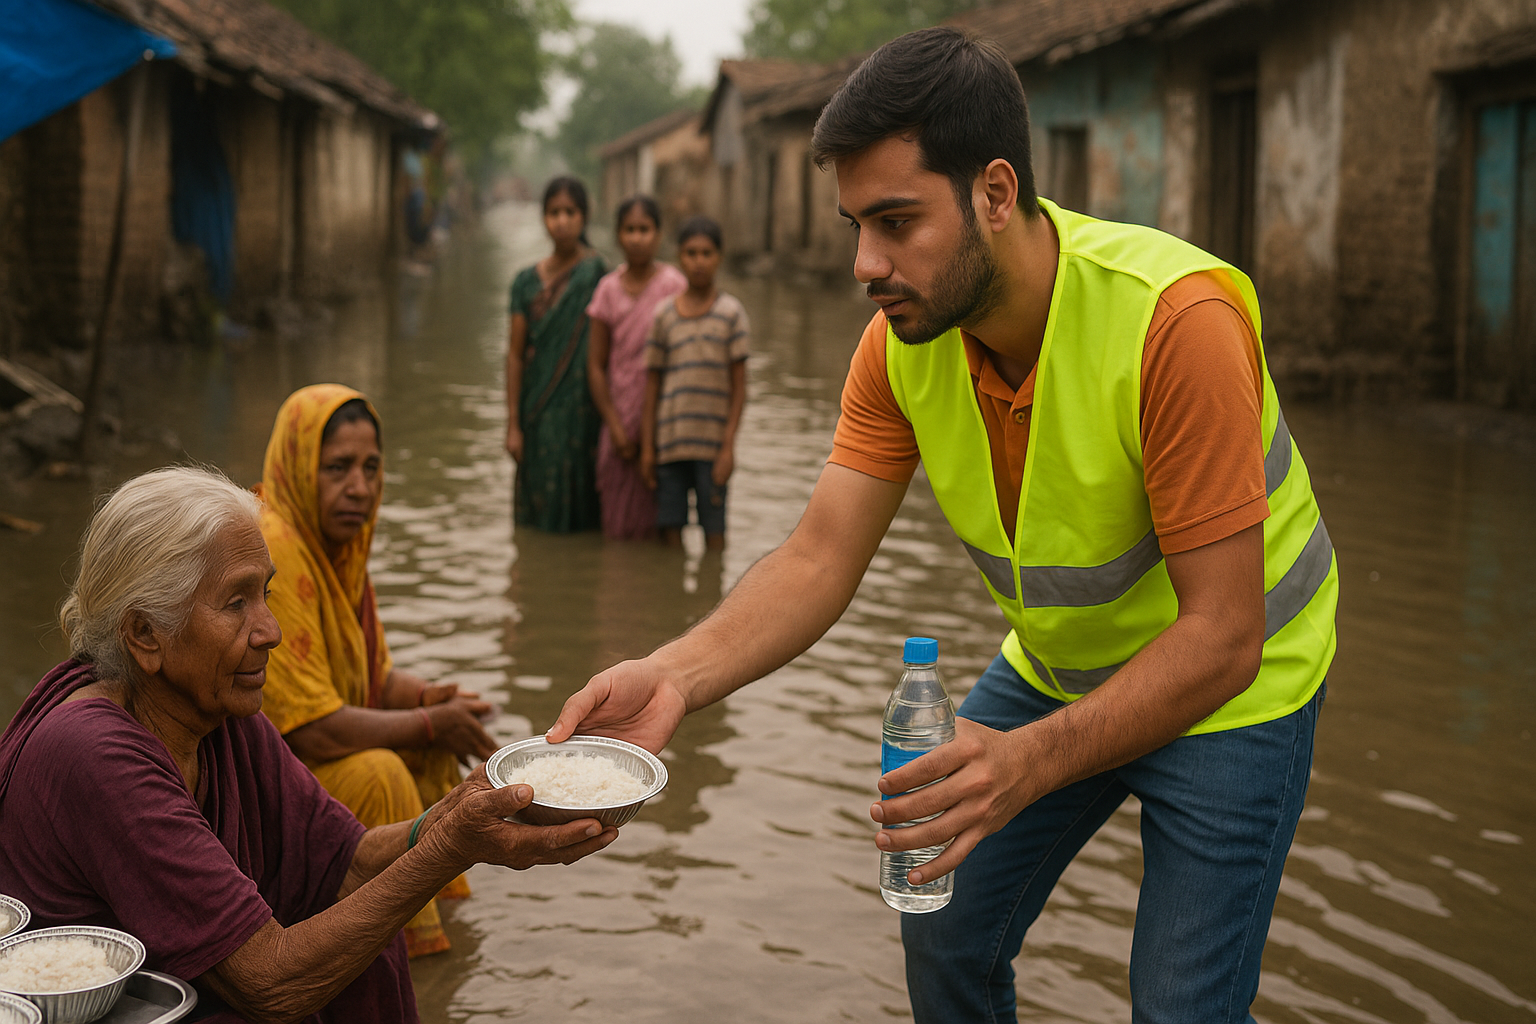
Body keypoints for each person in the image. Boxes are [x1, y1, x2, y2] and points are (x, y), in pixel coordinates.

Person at [548, 27, 1337, 1024]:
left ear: (996, 194)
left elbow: (1224, 635)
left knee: (1179, 1005)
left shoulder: (1176, 323)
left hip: (1239, 687)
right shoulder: (899, 347)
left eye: (895, 221)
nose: (864, 264)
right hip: (1062, 666)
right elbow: (818, 557)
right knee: (943, 919)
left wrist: (1030, 760)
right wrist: (675, 673)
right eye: (853, 225)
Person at [0, 466, 617, 1023]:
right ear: (145, 635)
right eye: (235, 603)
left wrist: (458, 812)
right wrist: (449, 850)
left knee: (368, 946)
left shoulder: (220, 712)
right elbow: (269, 985)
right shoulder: (95, 752)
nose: (269, 630)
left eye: (264, 594)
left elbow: (343, 863)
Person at [256, 383, 497, 958]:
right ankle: (390, 955)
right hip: (263, 775)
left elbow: (370, 677)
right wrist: (429, 721)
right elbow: (309, 726)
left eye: (370, 468)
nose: (359, 488)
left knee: (431, 743)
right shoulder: (276, 547)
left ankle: (432, 935)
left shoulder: (339, 548)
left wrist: (430, 699)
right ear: (297, 466)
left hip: (311, 749)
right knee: (382, 771)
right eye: (337, 467)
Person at [639, 216, 749, 550]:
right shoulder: (664, 315)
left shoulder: (731, 314)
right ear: (679, 257)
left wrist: (728, 447)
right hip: (670, 446)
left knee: (714, 535)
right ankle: (674, 598)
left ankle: (711, 598)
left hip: (712, 449)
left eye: (706, 253)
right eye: (690, 253)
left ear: (719, 256)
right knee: (670, 532)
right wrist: (648, 449)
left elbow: (740, 389)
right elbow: (652, 387)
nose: (698, 261)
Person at [505, 176, 606, 532]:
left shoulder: (598, 275)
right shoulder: (524, 283)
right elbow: (515, 356)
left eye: (570, 212)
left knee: (583, 506)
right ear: (543, 218)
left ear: (584, 217)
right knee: (537, 510)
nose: (561, 221)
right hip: (537, 411)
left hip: (584, 415)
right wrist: (513, 423)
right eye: (553, 212)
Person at [586, 195, 687, 539]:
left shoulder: (674, 286)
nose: (637, 237)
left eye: (644, 229)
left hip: (664, 426)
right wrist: (613, 424)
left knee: (665, 526)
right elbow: (596, 366)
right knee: (617, 529)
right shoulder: (607, 290)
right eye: (629, 230)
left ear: (658, 235)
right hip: (617, 423)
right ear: (617, 235)